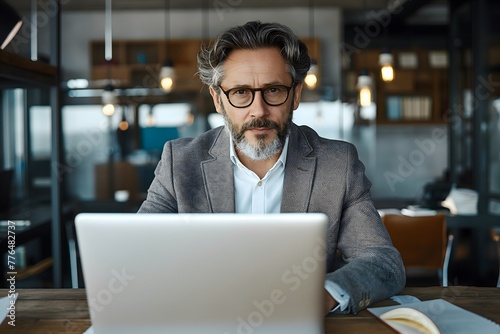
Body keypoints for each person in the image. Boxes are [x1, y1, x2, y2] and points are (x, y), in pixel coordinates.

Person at [138, 20, 405, 315]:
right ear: (217, 99)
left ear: (296, 94)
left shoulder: (337, 164)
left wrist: (324, 295)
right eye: (241, 92)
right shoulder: (180, 161)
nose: (259, 110)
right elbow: (138, 255)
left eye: (274, 90)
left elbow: (383, 263)